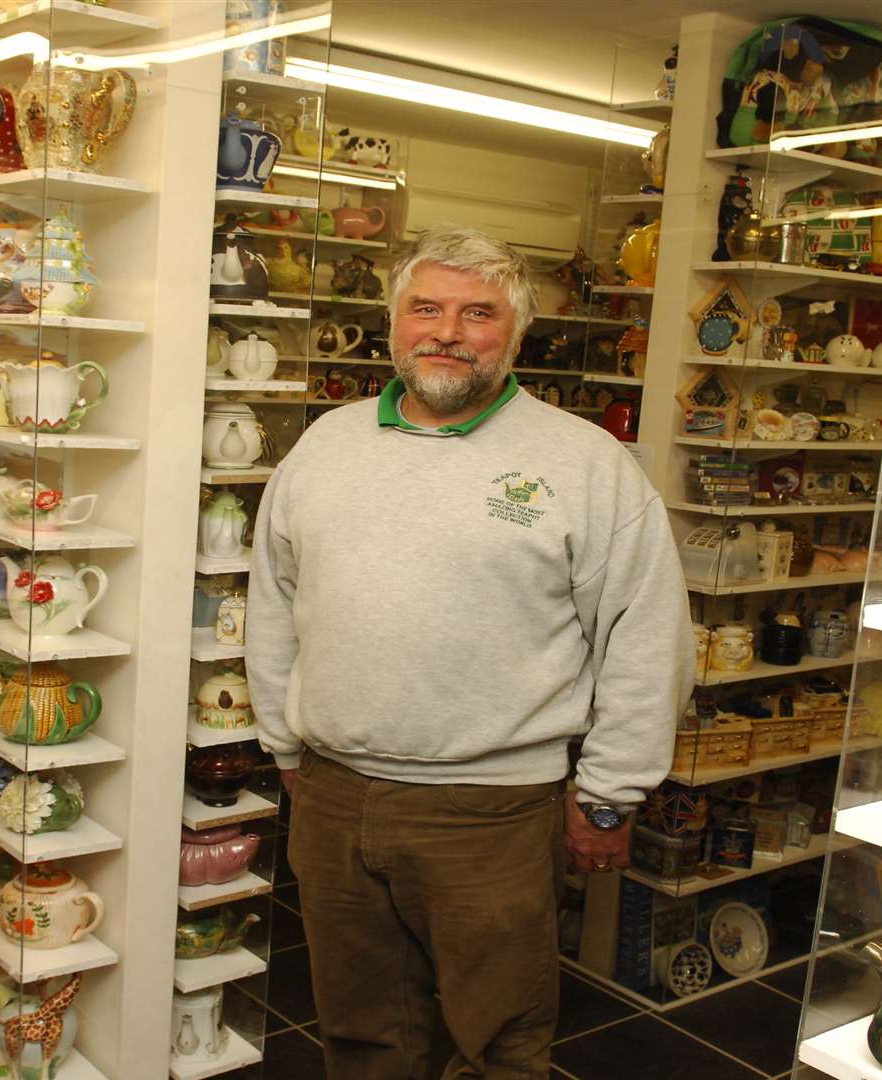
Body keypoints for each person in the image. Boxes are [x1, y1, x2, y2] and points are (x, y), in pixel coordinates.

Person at [248, 228, 693, 1078]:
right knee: (364, 1033)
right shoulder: (324, 447)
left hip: (490, 811)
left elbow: (645, 632)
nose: (447, 331)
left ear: (515, 335)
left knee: (500, 1042)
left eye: (477, 313)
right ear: (394, 324)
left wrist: (610, 793)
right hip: (336, 798)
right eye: (427, 308)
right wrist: (284, 742)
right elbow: (273, 600)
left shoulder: (583, 463)